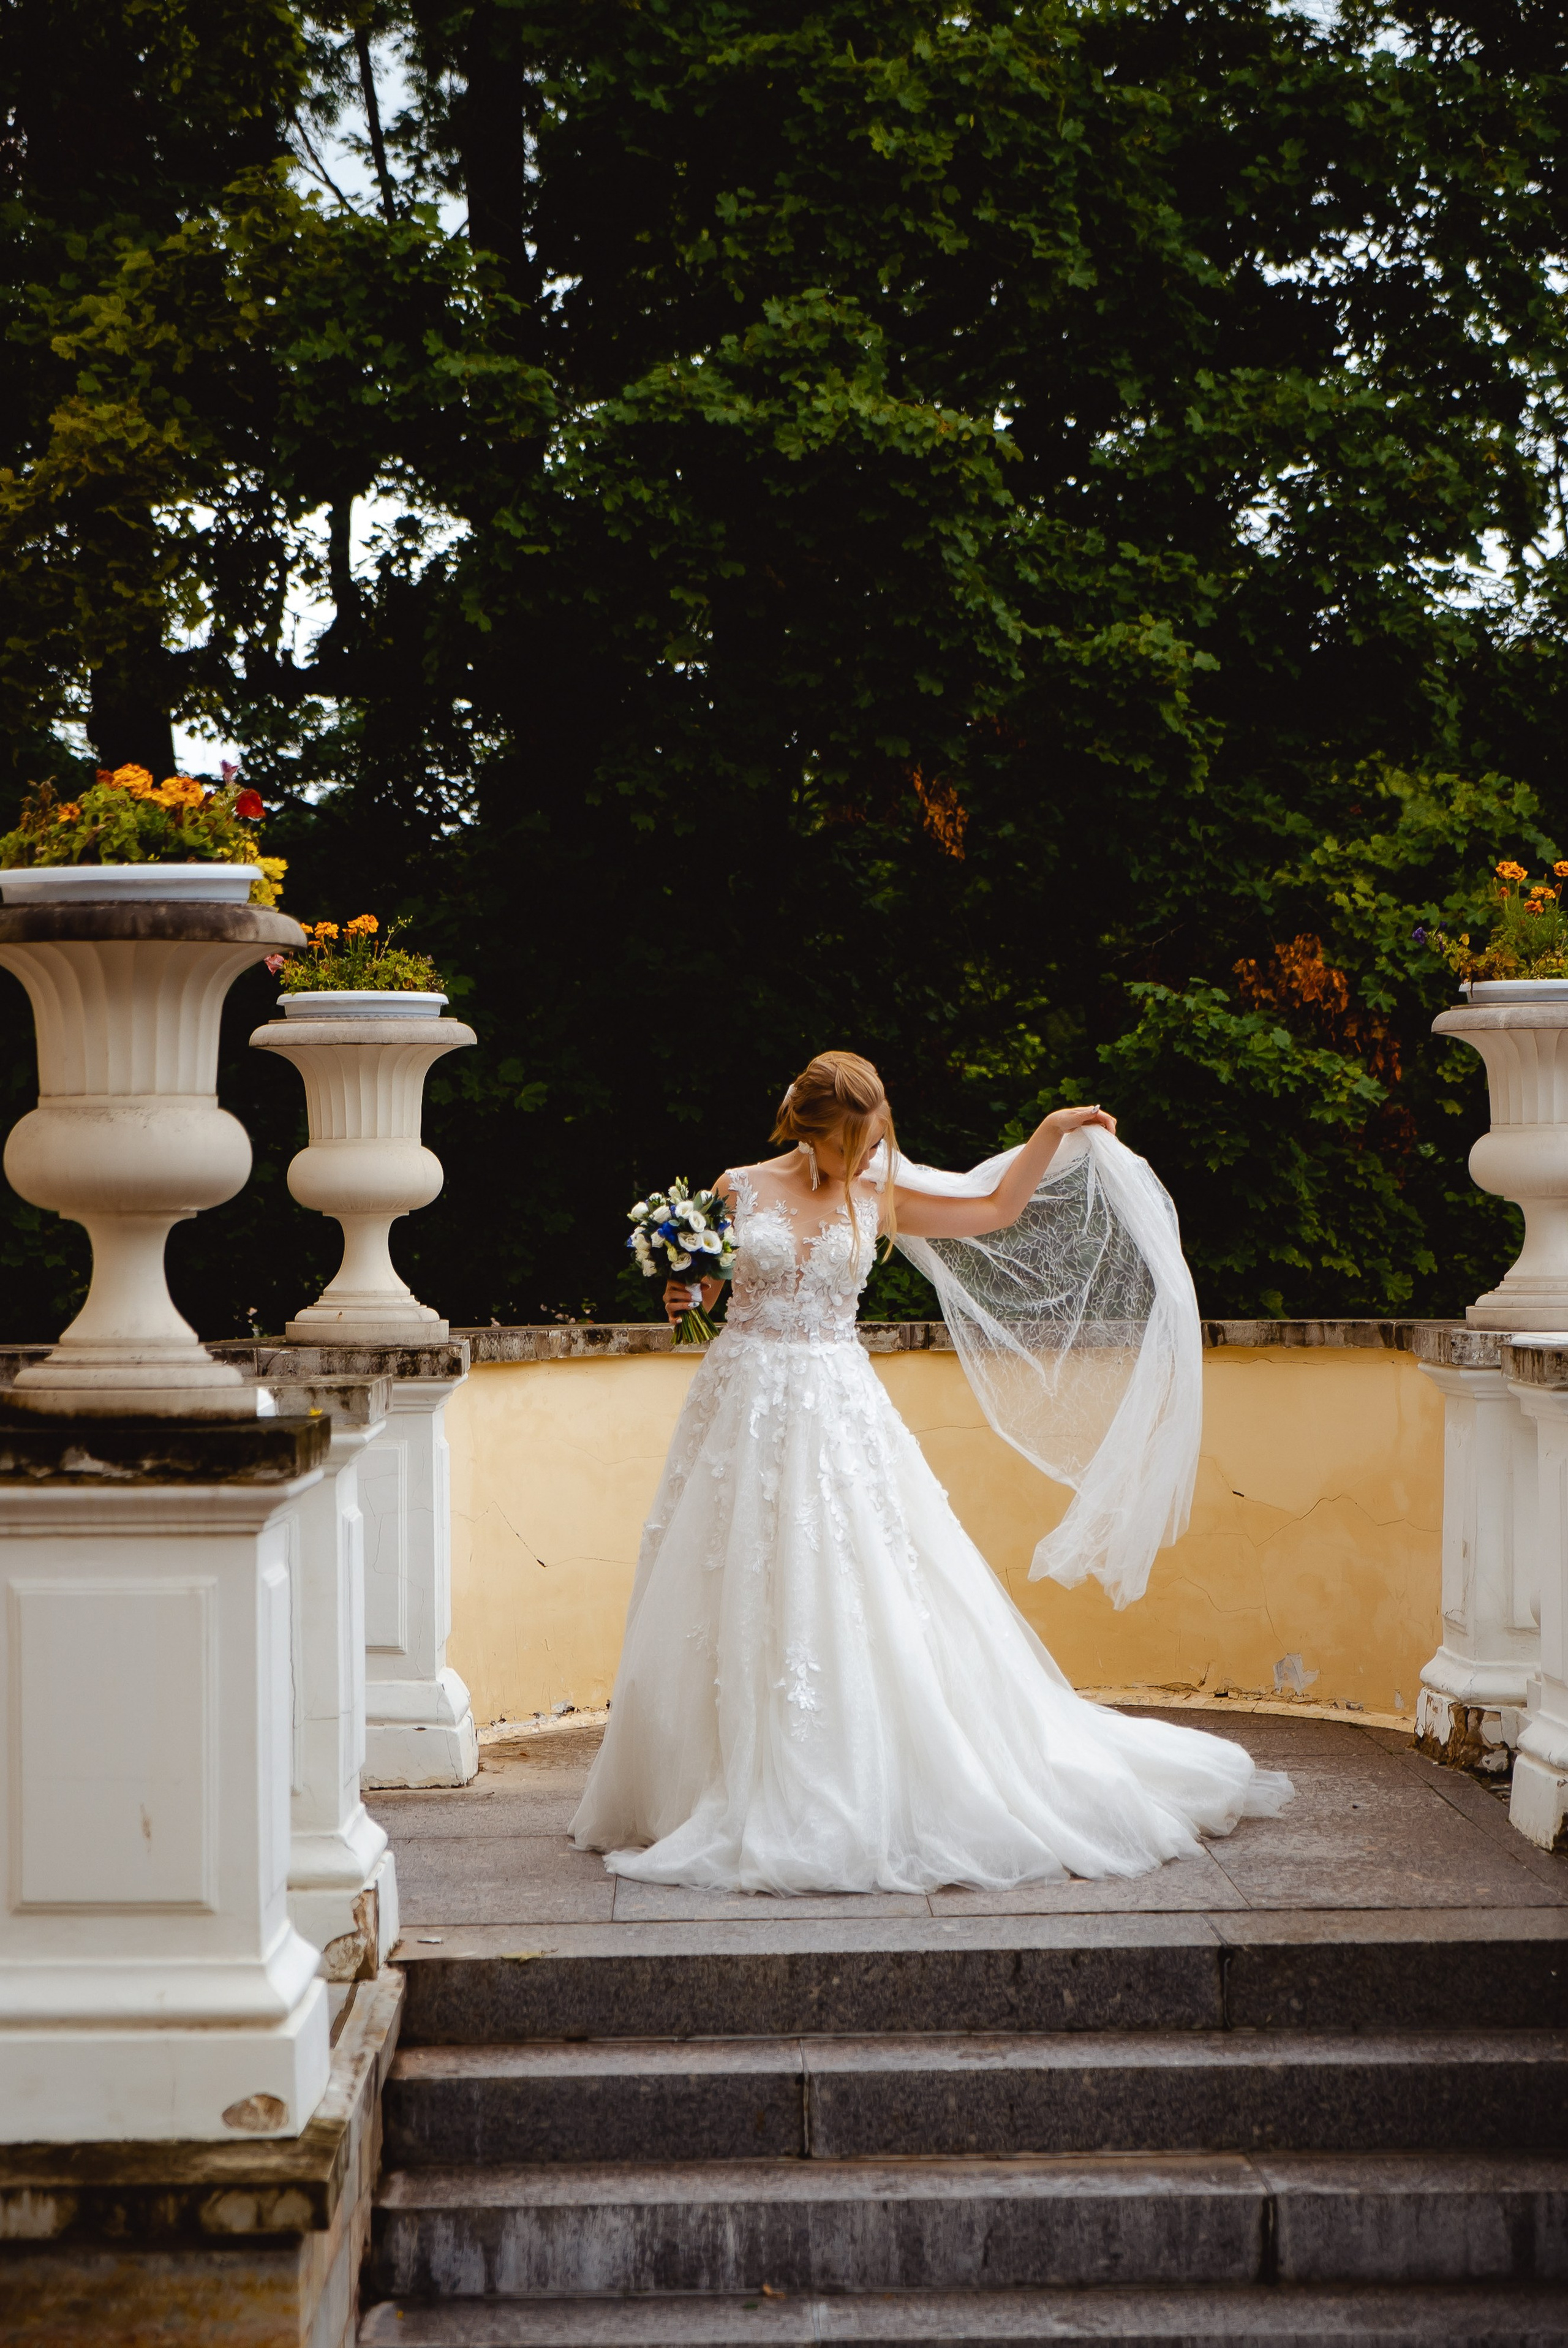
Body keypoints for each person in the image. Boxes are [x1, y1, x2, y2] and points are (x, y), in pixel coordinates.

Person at [571, 1051, 1291, 1893]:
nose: (862, 1156)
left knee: (857, 1583)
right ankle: (701, 1780)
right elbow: (703, 1293)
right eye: (847, 1142)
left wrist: (1050, 1133)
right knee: (726, 1582)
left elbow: (992, 1208)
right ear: (803, 1129)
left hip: (838, 1407)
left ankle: (856, 1768)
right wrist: (683, 1298)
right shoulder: (738, 1188)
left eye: (872, 1138)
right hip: (740, 1405)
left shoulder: (878, 1189)